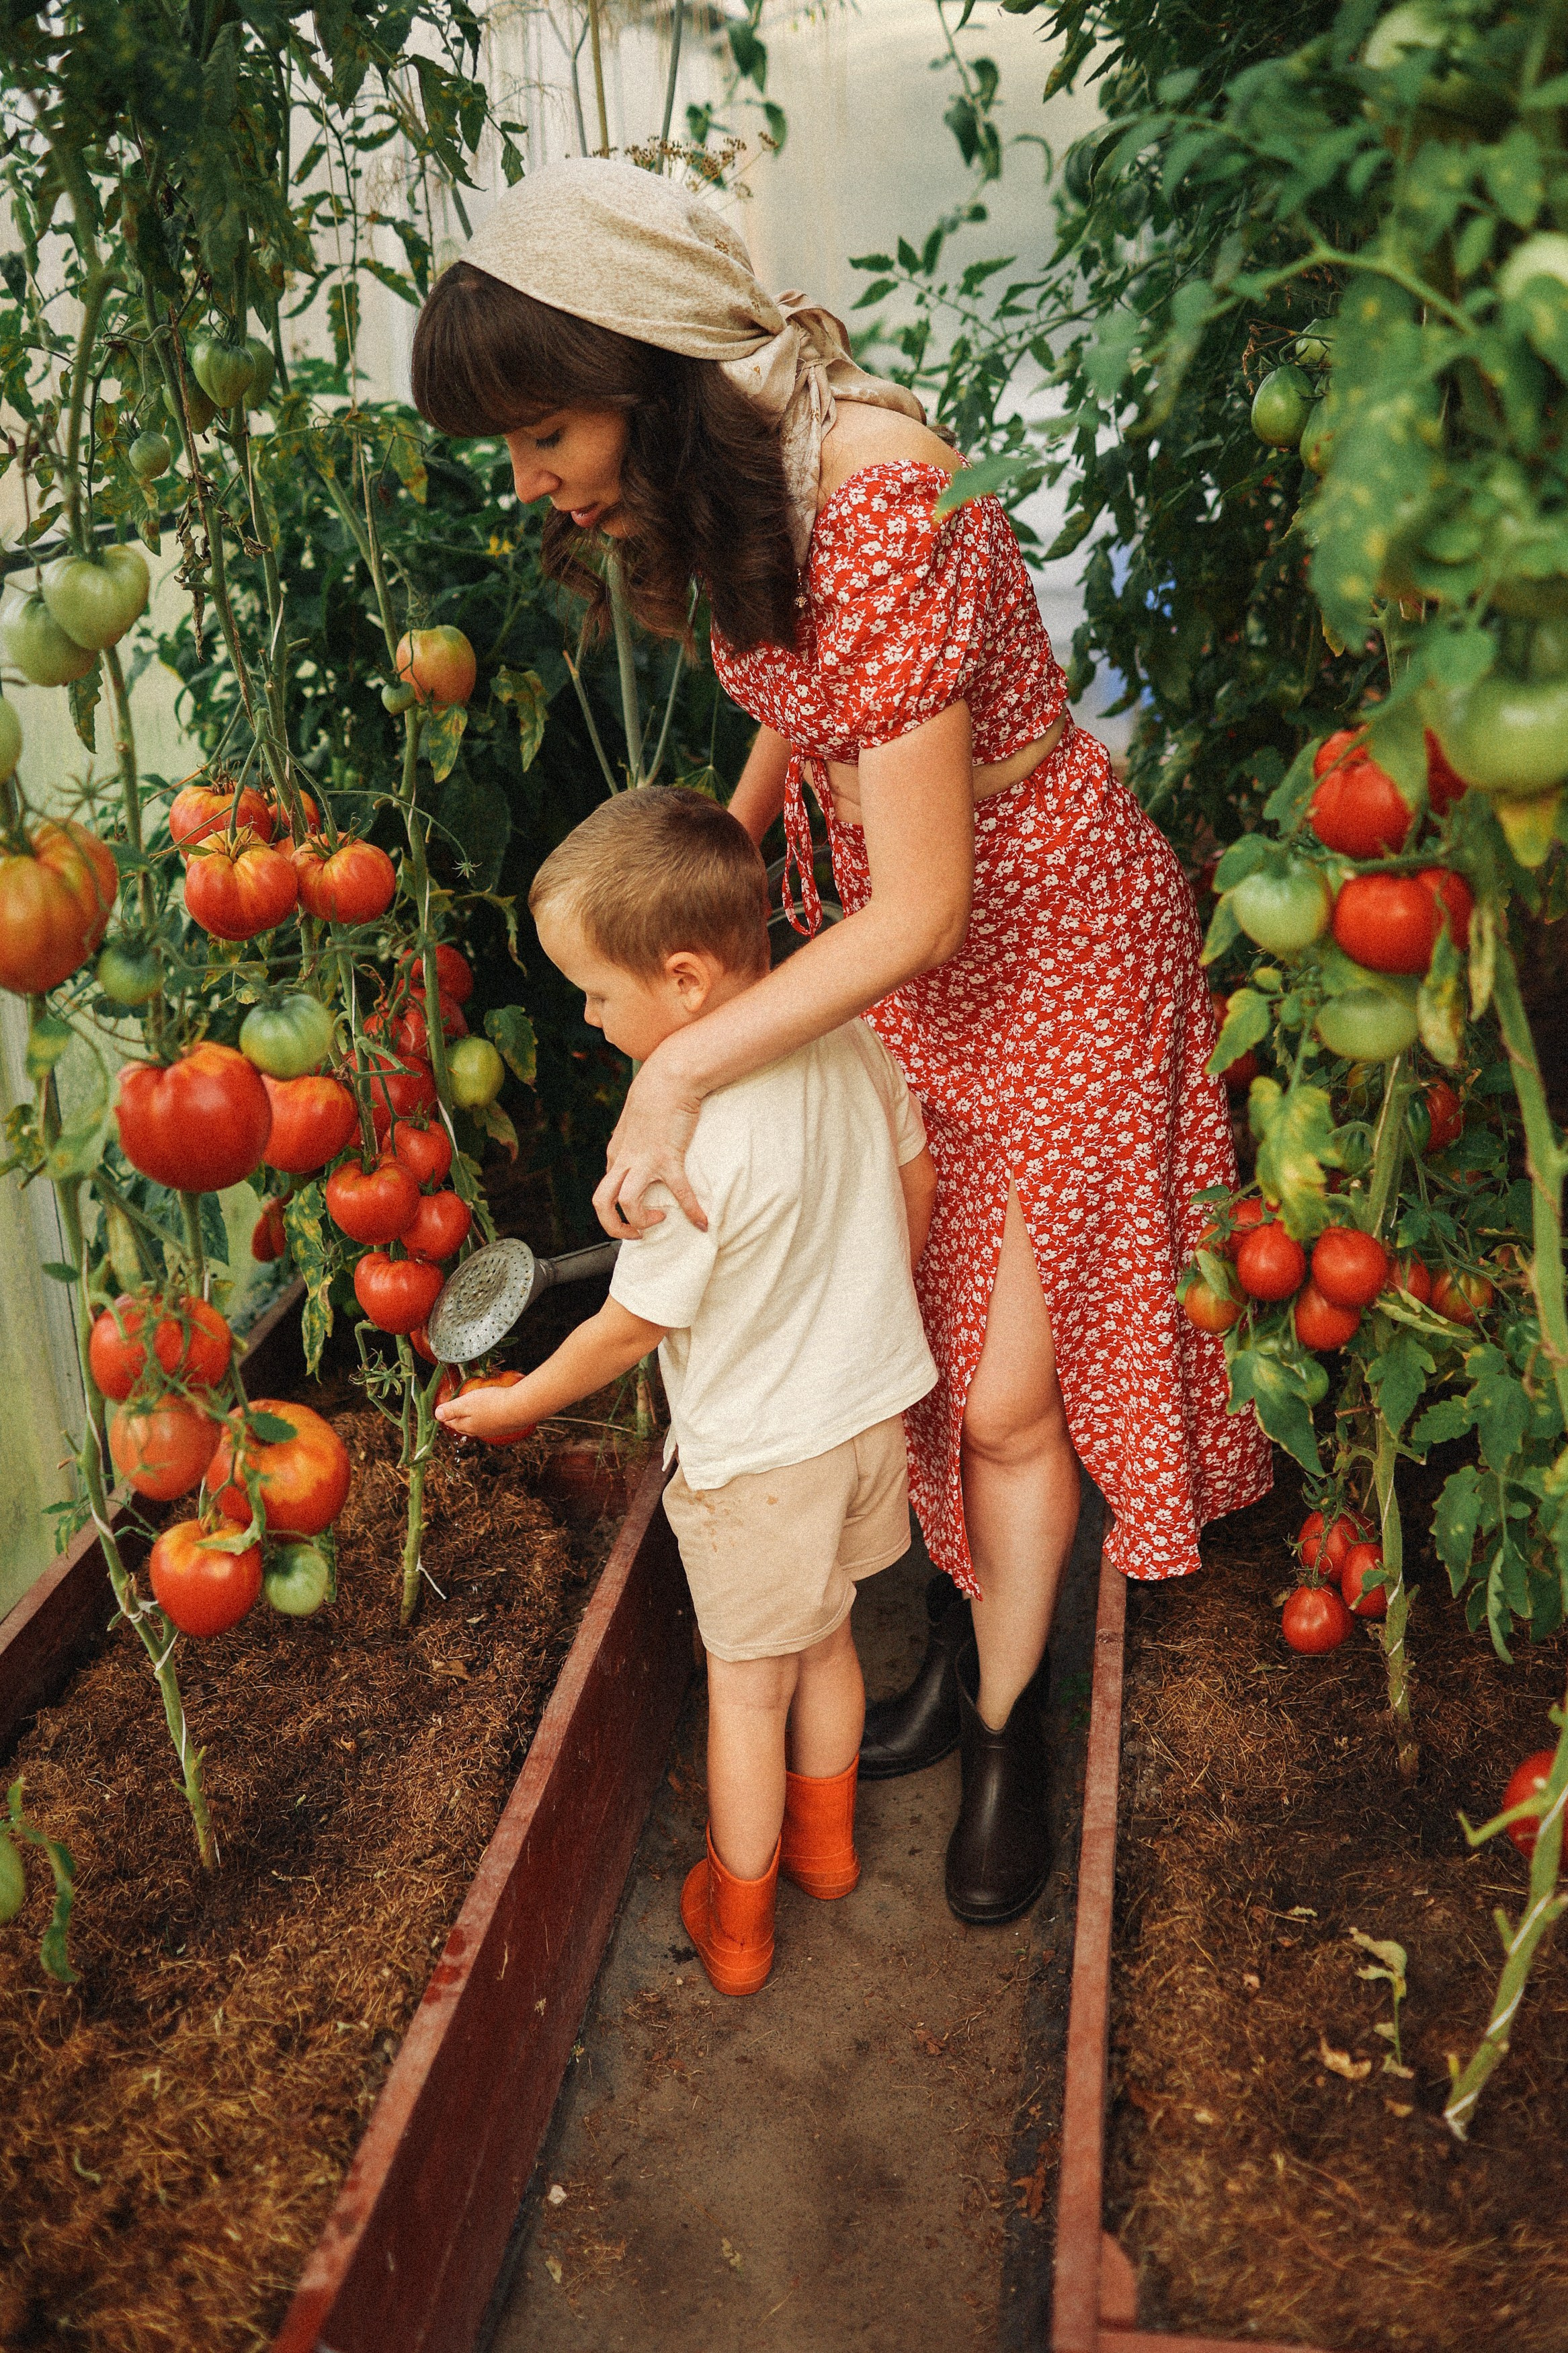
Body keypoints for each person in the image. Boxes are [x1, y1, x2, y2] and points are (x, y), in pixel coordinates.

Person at [412, 158, 1270, 1928]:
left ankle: (1009, 1737)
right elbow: (812, 727)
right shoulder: (749, 469)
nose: (528, 481)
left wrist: (679, 1059)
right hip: (906, 944)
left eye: (544, 428)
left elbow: (928, 911)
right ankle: (963, 1655)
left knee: (1013, 1387)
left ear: (645, 368)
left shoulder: (872, 497)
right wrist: (718, 887)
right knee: (930, 1332)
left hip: (1042, 941)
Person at [436, 787, 941, 1997]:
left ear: (683, 981)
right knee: (829, 1647)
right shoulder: (843, 1032)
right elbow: (912, 1177)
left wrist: (516, 1408)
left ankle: (742, 1923)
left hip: (759, 1465)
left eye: (597, 994)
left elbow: (626, 1330)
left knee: (747, 1689)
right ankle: (824, 1858)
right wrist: (863, 1293)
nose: (590, 1018)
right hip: (868, 1416)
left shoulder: (683, 1136)